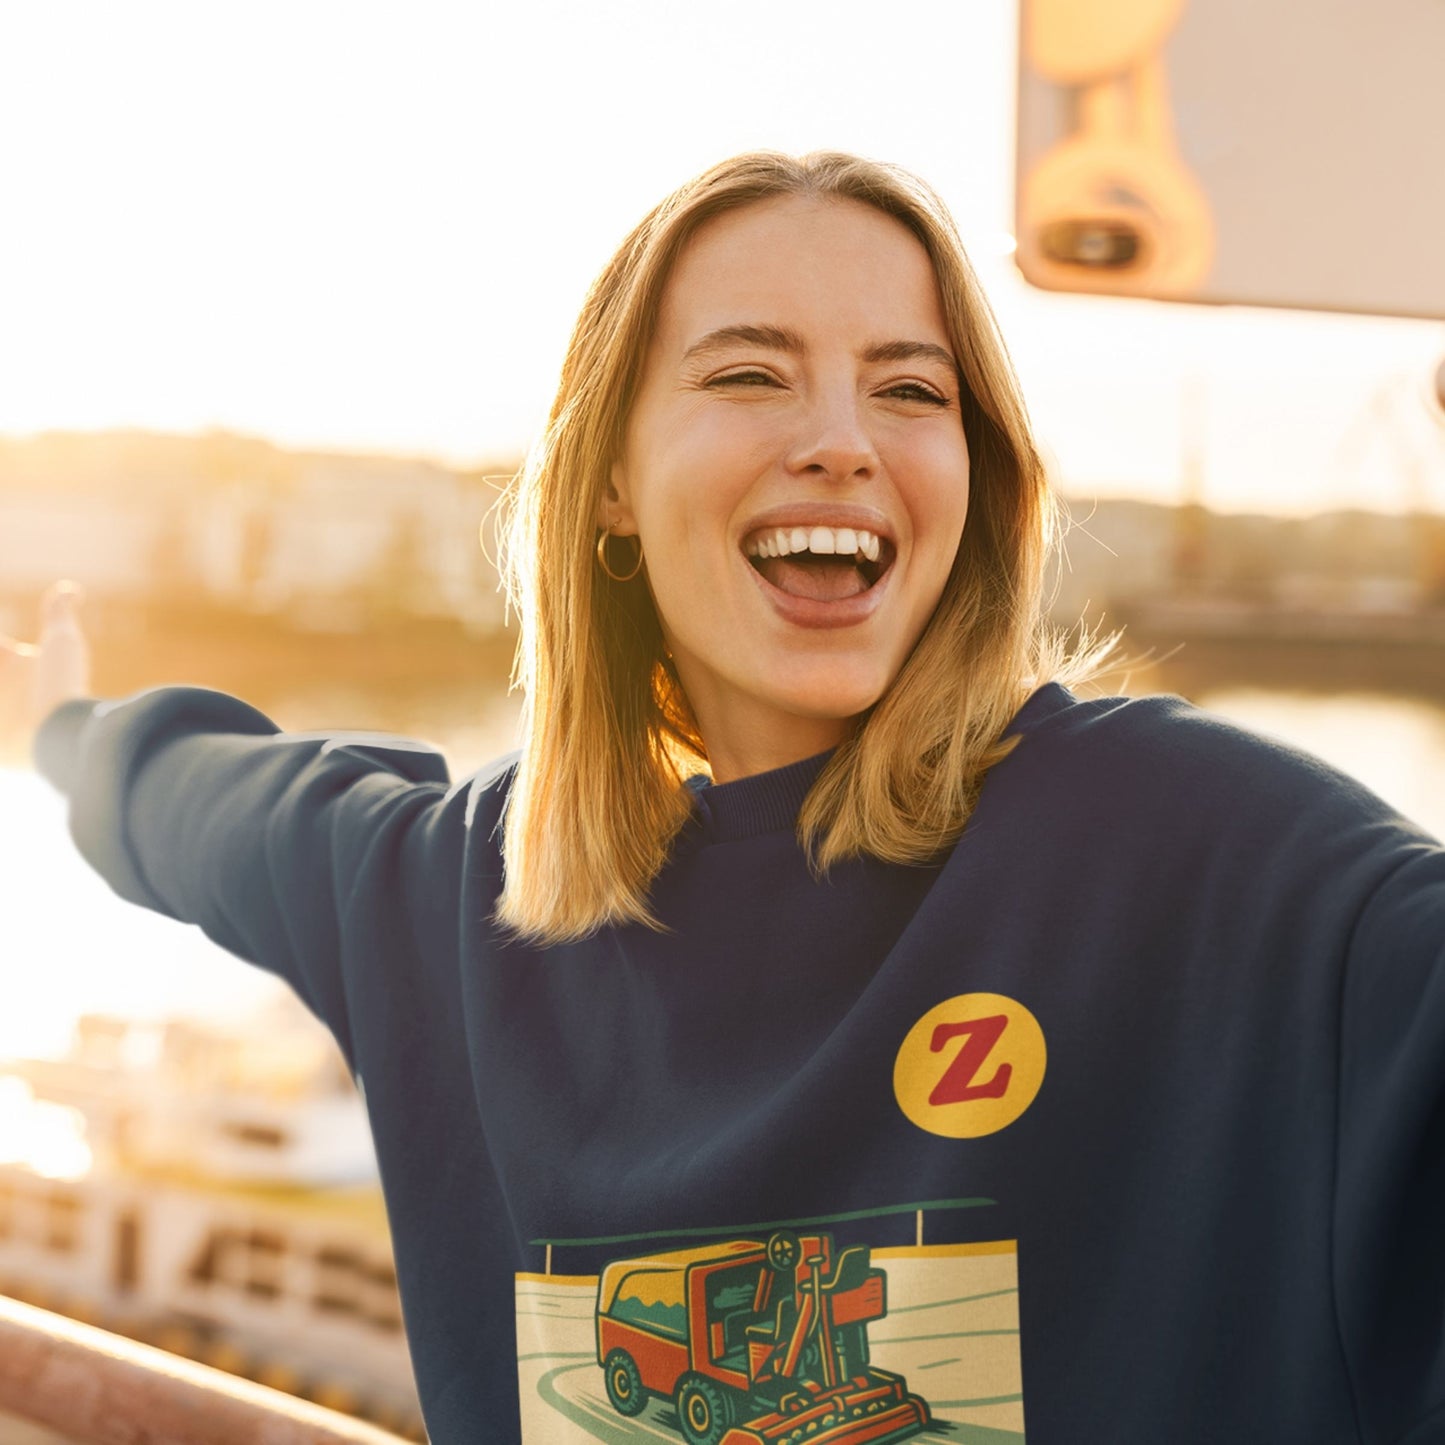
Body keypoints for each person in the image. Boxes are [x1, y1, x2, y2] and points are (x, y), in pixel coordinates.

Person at [3, 151, 1443, 1445]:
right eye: (749, 374)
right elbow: (208, 807)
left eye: (909, 388)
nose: (840, 439)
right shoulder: (455, 901)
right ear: (612, 478)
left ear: (975, 475)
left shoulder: (1195, 857)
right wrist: (64, 728)